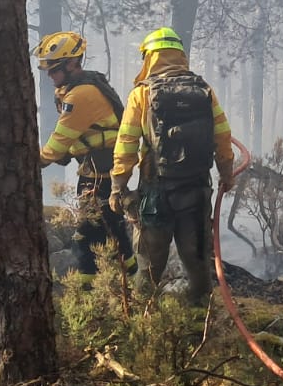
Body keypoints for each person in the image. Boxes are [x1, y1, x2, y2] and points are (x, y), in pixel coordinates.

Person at [110, 27, 237, 305]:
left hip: (156, 193)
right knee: (198, 259)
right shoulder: (204, 90)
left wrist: (118, 185)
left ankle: (143, 318)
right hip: (197, 188)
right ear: (180, 55)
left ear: (149, 58)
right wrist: (226, 173)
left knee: (149, 262)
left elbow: (127, 143)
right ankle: (202, 315)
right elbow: (223, 136)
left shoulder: (141, 95)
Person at [35, 31, 138, 284]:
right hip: (102, 170)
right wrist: (70, 152)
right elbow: (85, 134)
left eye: (54, 69)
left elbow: (60, 140)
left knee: (86, 234)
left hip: (97, 175)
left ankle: (87, 291)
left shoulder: (80, 95)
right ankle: (131, 279)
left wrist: (35, 161)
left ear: (71, 64)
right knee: (113, 227)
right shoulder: (83, 87)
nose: (50, 75)